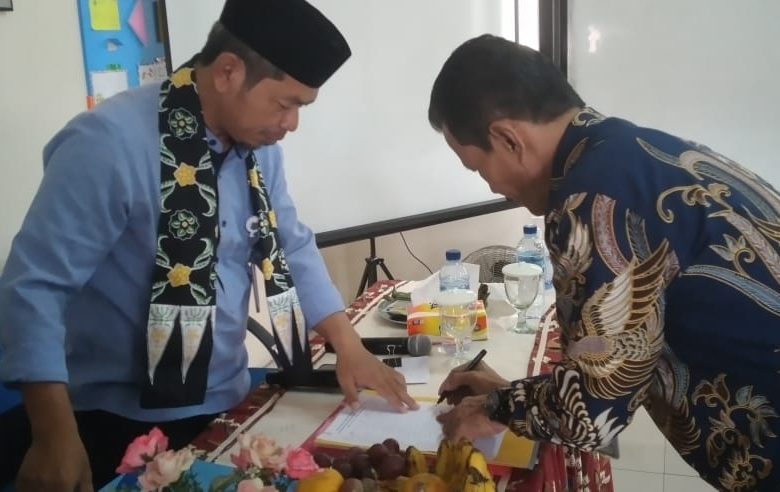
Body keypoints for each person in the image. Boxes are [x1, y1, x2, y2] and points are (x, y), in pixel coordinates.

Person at [0, 0, 417, 490]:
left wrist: (348, 346)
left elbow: (290, 242)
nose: (291, 124)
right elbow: (35, 287)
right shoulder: (107, 145)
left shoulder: (256, 150)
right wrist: (52, 434)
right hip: (113, 420)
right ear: (227, 72)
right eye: (285, 104)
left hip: (226, 403)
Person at [430, 34, 780, 491]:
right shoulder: (634, 150)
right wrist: (507, 398)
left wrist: (493, 408)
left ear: (508, 139)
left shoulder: (591, 201)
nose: (492, 186)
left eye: (478, 168)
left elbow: (594, 412)